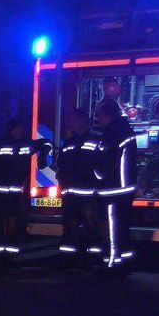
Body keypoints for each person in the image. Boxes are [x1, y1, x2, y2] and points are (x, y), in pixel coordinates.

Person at [0, 118, 51, 264]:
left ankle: (10, 256)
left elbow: (46, 142)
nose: (20, 131)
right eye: (17, 128)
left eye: (21, 129)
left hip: (14, 193)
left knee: (16, 224)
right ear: (10, 129)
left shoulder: (25, 145)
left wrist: (43, 155)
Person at [92, 99, 138, 270]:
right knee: (122, 226)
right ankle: (123, 261)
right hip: (124, 188)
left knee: (113, 227)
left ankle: (113, 263)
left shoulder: (112, 135)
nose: (98, 119)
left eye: (99, 115)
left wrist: (97, 175)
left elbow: (105, 162)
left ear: (106, 115)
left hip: (113, 189)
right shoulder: (125, 132)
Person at [56, 108, 102, 264]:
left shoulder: (97, 140)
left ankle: (92, 260)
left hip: (90, 195)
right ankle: (68, 259)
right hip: (70, 196)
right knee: (69, 229)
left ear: (83, 121)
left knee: (92, 229)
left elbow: (102, 168)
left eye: (74, 119)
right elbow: (61, 165)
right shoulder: (69, 142)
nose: (70, 122)